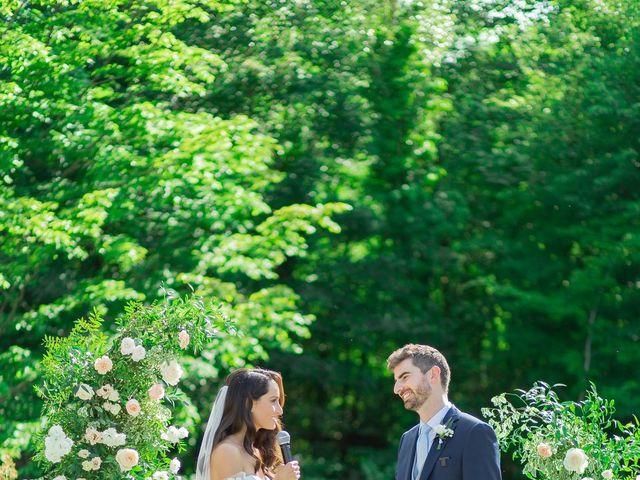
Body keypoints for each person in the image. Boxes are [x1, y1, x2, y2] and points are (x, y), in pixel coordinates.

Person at [387, 344, 501, 480]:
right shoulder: (407, 440)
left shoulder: (474, 432)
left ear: (433, 375)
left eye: (405, 377)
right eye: (396, 381)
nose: (396, 388)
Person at [196, 368, 301, 480]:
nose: (280, 410)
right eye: (273, 400)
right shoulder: (227, 451)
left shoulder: (256, 451)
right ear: (249, 403)